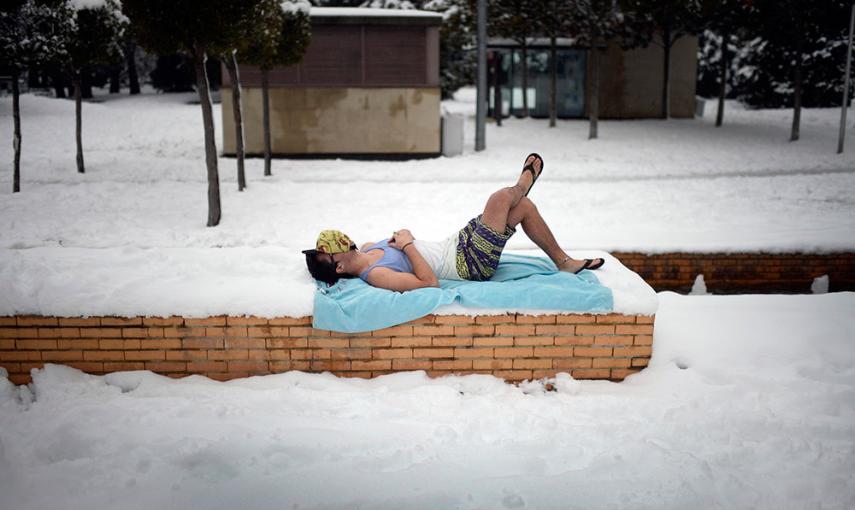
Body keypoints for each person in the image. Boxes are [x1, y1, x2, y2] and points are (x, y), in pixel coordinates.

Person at [303, 153, 605, 292]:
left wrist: (405, 241)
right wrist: (407, 245)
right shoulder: (376, 275)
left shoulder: (370, 247)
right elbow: (429, 283)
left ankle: (563, 261)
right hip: (468, 266)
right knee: (501, 199)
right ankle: (523, 181)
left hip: (458, 244)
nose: (330, 243)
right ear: (339, 267)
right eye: (328, 250)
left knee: (523, 207)